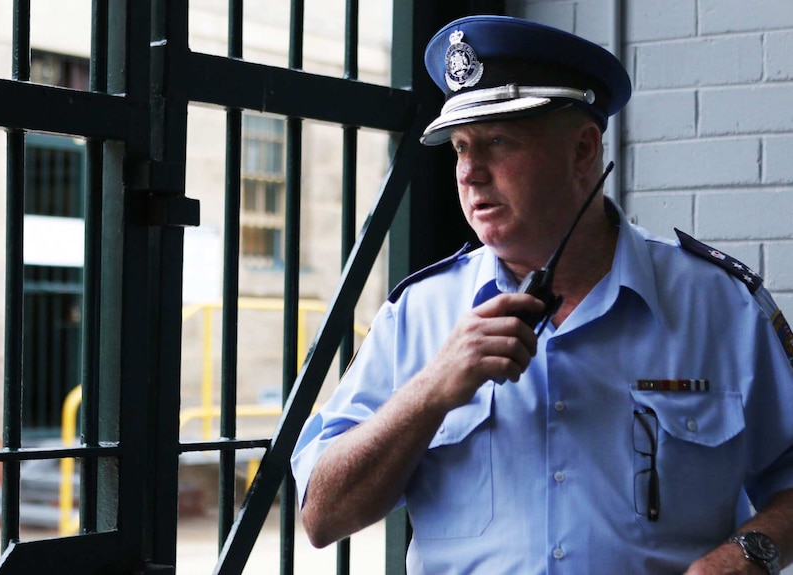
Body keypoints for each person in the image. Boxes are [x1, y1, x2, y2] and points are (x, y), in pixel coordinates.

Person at [291, 14, 793, 574]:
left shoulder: (718, 306)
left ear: (583, 151)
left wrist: (750, 554)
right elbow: (321, 514)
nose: (471, 173)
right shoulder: (418, 315)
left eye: (498, 141)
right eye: (460, 148)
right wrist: (432, 390)